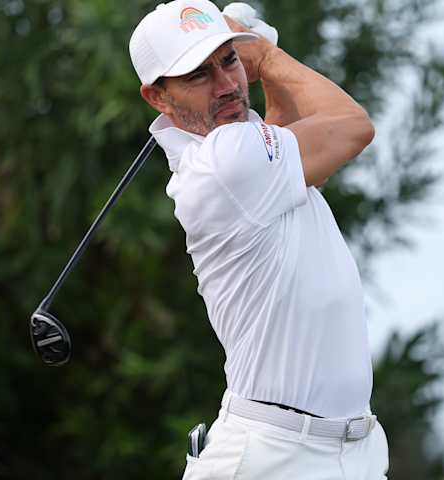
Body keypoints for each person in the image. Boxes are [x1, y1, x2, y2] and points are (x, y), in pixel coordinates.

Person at [128, 1, 388, 478]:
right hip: (273, 458)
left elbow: (281, 135)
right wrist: (265, 57)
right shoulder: (223, 162)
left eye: (229, 60)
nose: (226, 84)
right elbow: (352, 127)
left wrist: (262, 66)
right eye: (197, 74)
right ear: (158, 97)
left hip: (345, 452)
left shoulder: (243, 153)